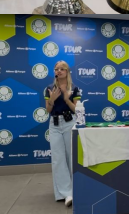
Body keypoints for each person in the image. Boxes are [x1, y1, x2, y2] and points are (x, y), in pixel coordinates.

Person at [44, 60, 81, 207]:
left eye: (62, 69)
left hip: (69, 122)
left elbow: (76, 111)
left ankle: (76, 189)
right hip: (54, 124)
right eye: (56, 69)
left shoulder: (75, 88)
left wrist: (66, 97)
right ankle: (66, 193)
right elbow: (48, 110)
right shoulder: (49, 88)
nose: (58, 71)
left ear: (67, 72)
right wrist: (51, 100)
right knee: (58, 159)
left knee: (71, 157)